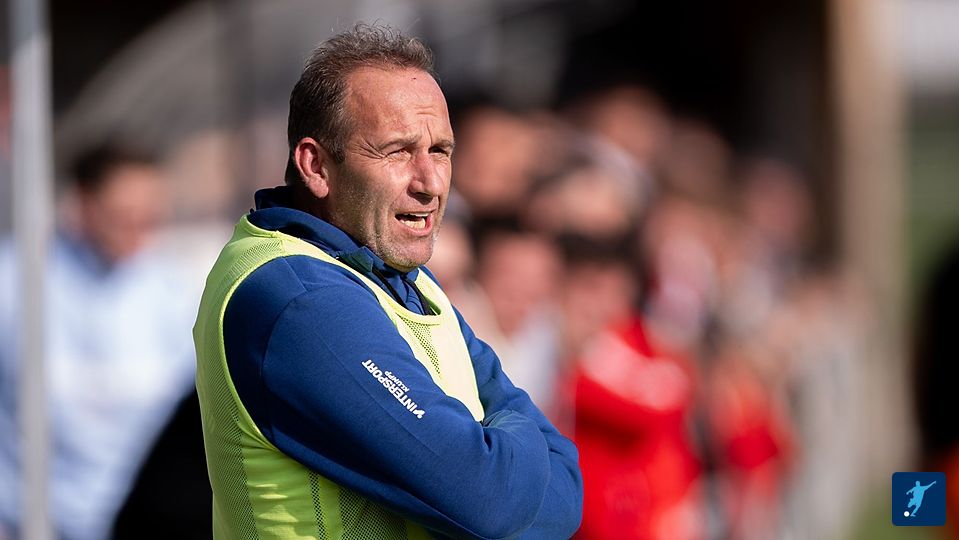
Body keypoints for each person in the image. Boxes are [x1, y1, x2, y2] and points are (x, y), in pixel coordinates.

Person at [192, 23, 583, 539]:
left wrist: (506, 464)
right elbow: (493, 503)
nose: (430, 183)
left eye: (440, 151)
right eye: (397, 151)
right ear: (316, 165)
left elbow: (568, 491)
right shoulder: (300, 300)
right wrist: (515, 451)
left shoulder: (404, 279)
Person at [0, 143, 197, 540]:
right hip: (34, 520)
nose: (139, 229)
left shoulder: (172, 292)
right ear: (83, 205)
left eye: (151, 217)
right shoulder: (16, 280)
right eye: (123, 215)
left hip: (141, 518)